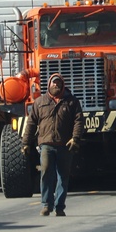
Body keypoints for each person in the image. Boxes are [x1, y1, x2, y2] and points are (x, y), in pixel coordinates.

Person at [22, 73, 84, 216]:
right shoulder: (39, 102)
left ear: (63, 85)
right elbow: (31, 123)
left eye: (58, 83)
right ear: (49, 85)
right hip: (46, 145)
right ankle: (46, 205)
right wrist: (25, 143)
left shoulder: (72, 102)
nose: (56, 85)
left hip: (65, 145)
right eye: (53, 83)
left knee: (63, 176)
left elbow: (78, 121)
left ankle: (60, 206)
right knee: (46, 173)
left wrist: (75, 138)